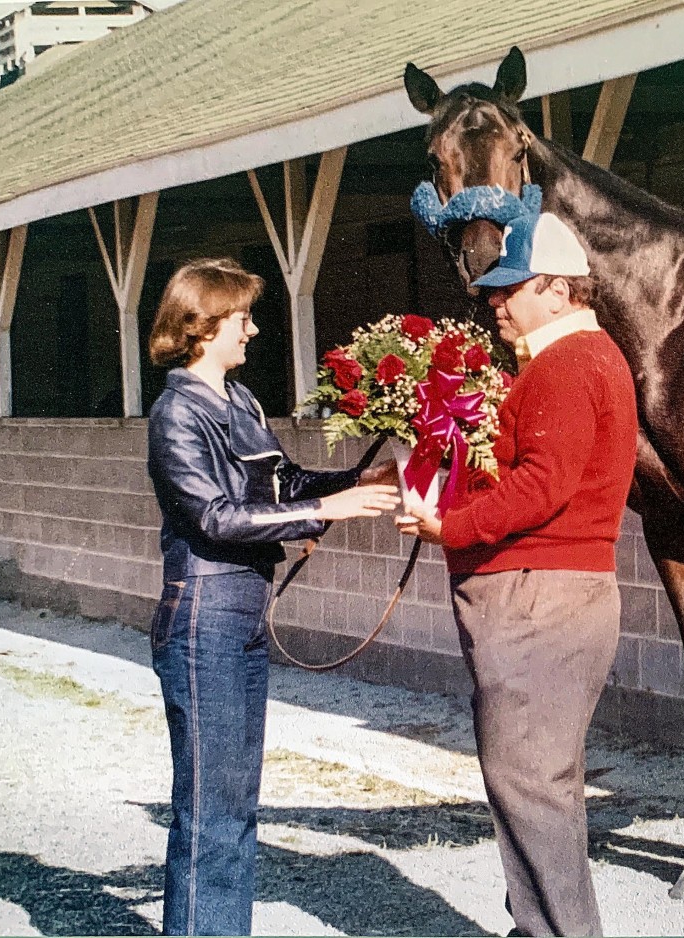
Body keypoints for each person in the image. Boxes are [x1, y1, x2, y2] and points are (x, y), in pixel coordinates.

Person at [398, 213, 638, 937]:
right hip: (554, 593)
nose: (495, 302)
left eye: (511, 289)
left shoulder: (566, 365)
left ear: (559, 290)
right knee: (540, 782)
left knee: (531, 785)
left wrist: (451, 527)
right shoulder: (579, 359)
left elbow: (542, 486)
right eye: (493, 291)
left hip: (538, 597)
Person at [145, 257, 399, 936]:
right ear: (202, 325)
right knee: (210, 808)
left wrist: (355, 481)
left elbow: (283, 483)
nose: (252, 330)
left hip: (244, 610)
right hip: (203, 615)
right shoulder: (176, 413)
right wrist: (324, 511)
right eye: (242, 318)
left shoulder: (240, 401)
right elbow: (214, 518)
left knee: (236, 802)